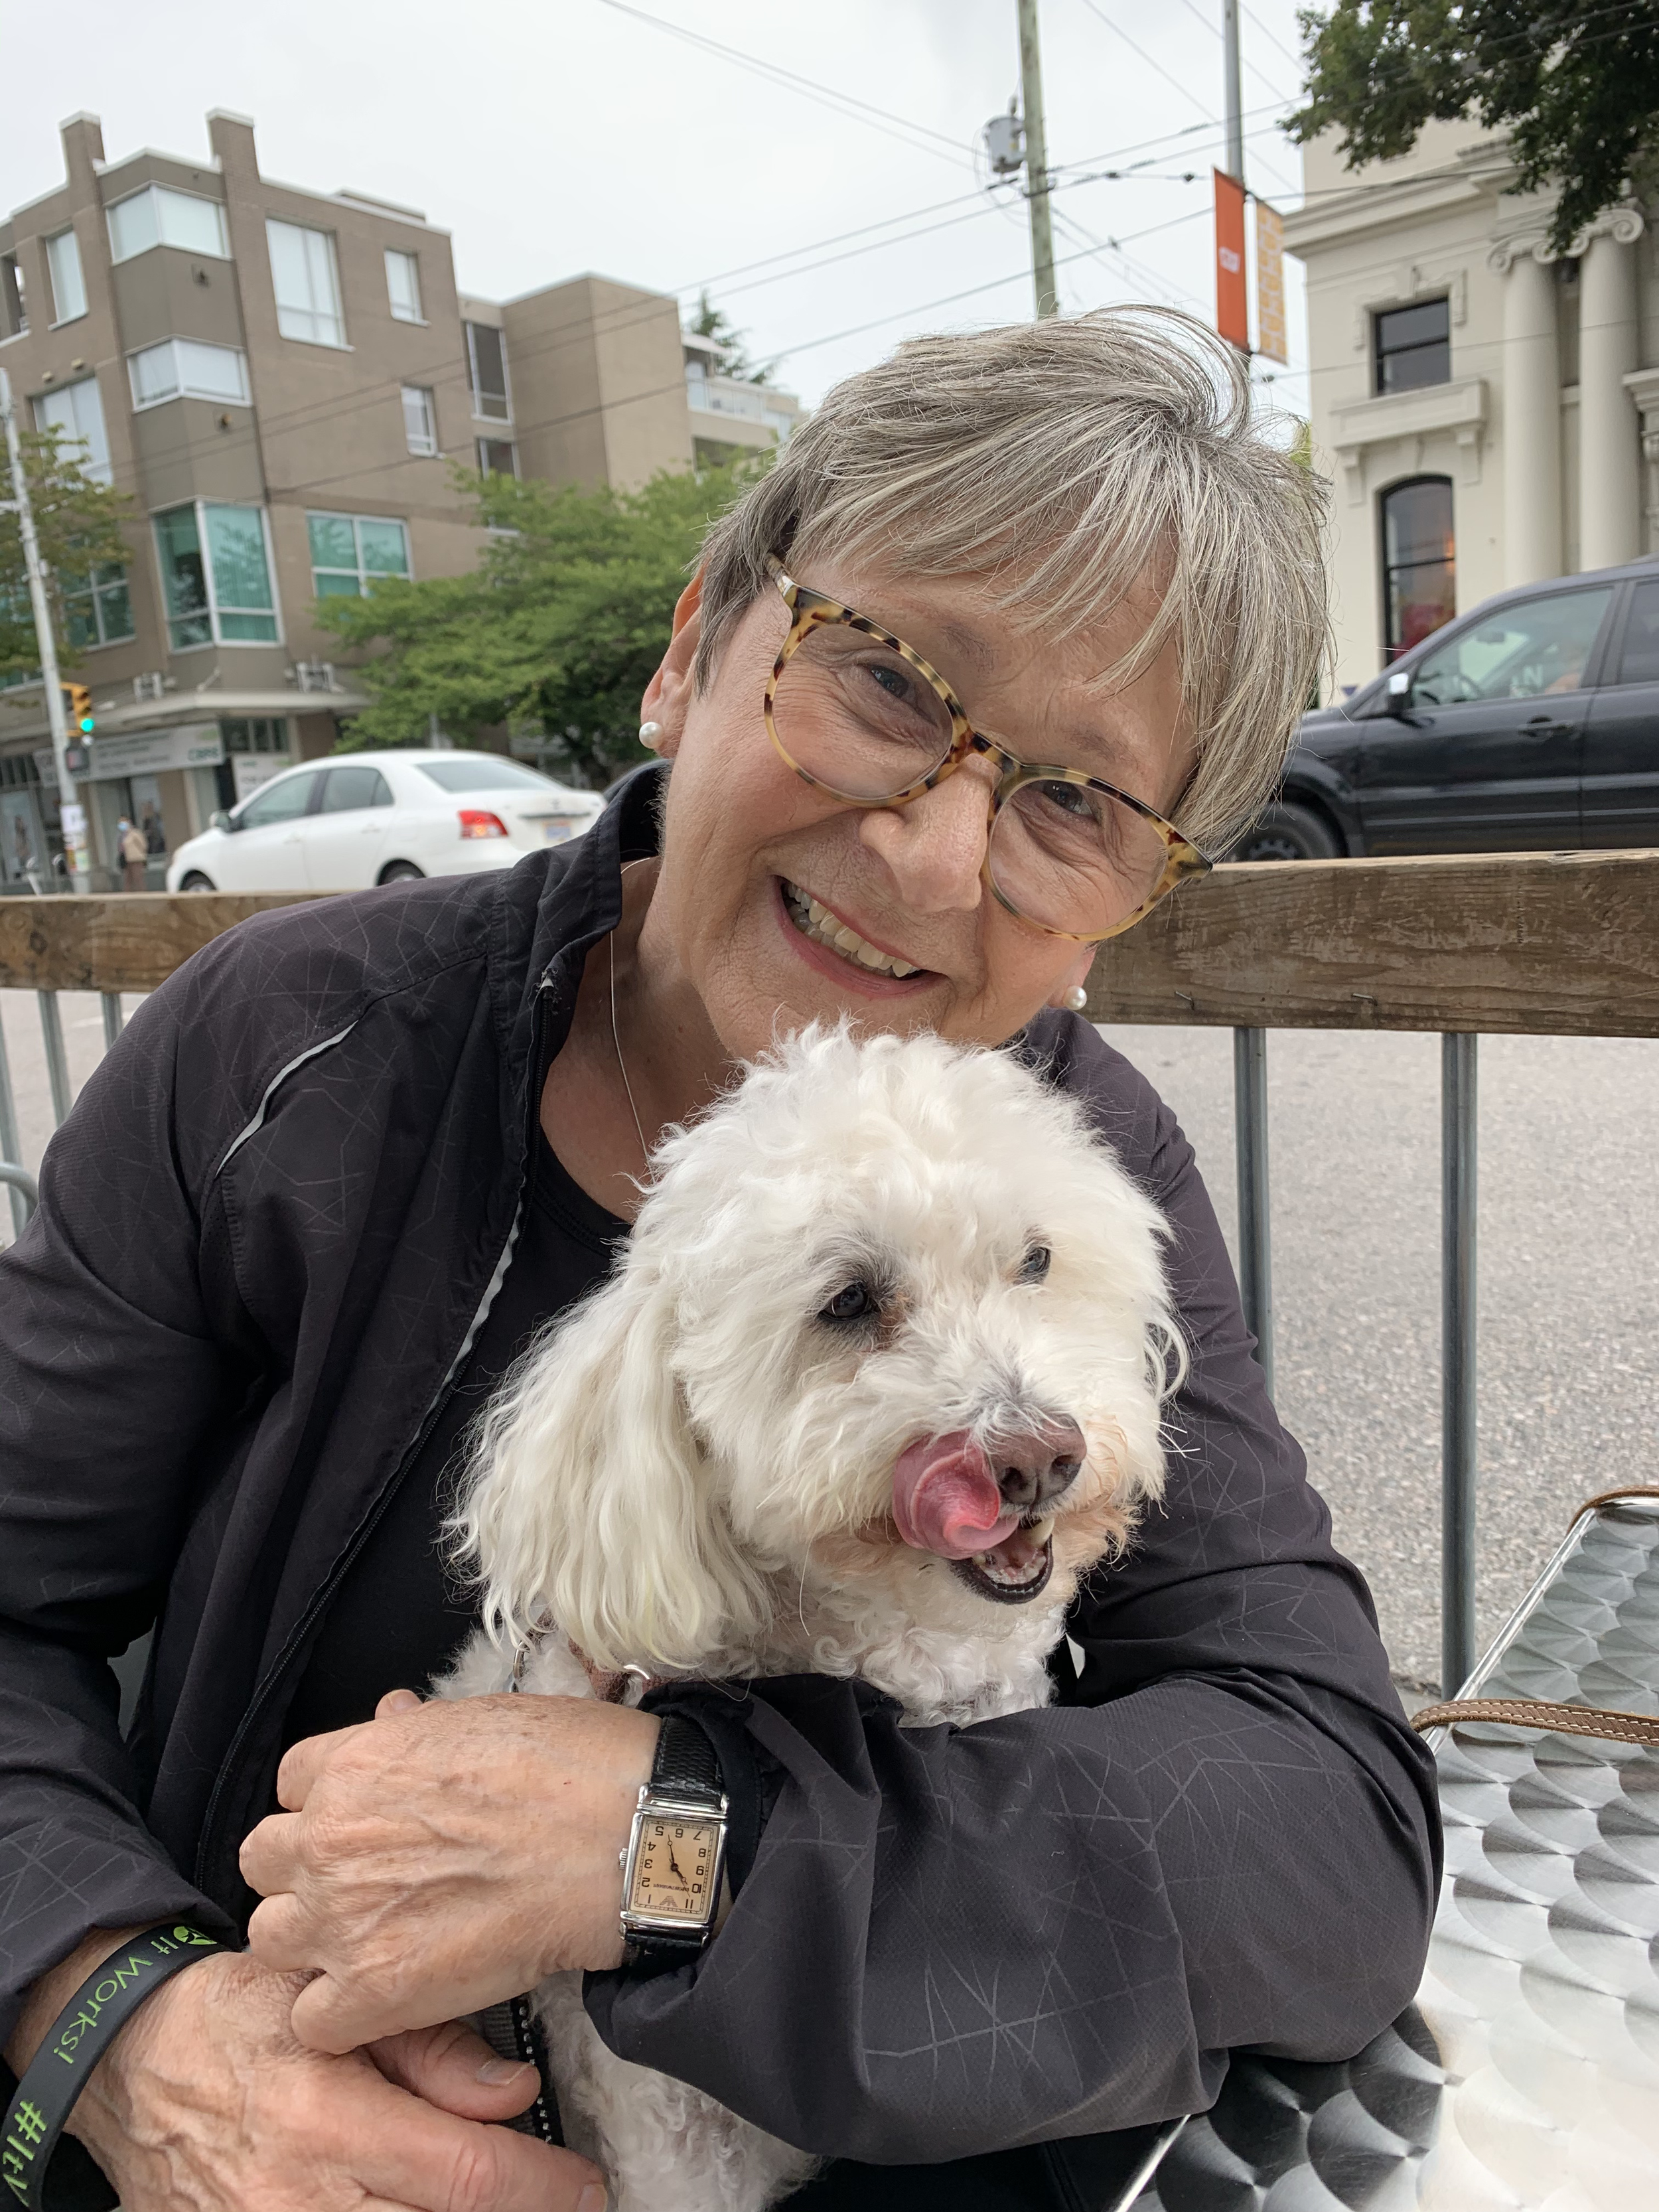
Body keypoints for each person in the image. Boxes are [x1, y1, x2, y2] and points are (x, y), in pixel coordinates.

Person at [0, 310, 1439, 2212]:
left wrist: (681, 1846)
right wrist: (125, 2025)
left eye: (1075, 799)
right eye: (890, 681)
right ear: (694, 650)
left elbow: (1320, 1833)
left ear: (1130, 899)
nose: (934, 855)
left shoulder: (1081, 1182)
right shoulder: (286, 1050)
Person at [117, 814, 147, 892]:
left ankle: (143, 895)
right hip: (126, 860)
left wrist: (141, 855)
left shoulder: (135, 833)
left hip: (136, 859)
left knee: (138, 879)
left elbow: (143, 845)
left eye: (123, 823)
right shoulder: (122, 836)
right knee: (127, 880)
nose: (122, 825)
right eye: (120, 824)